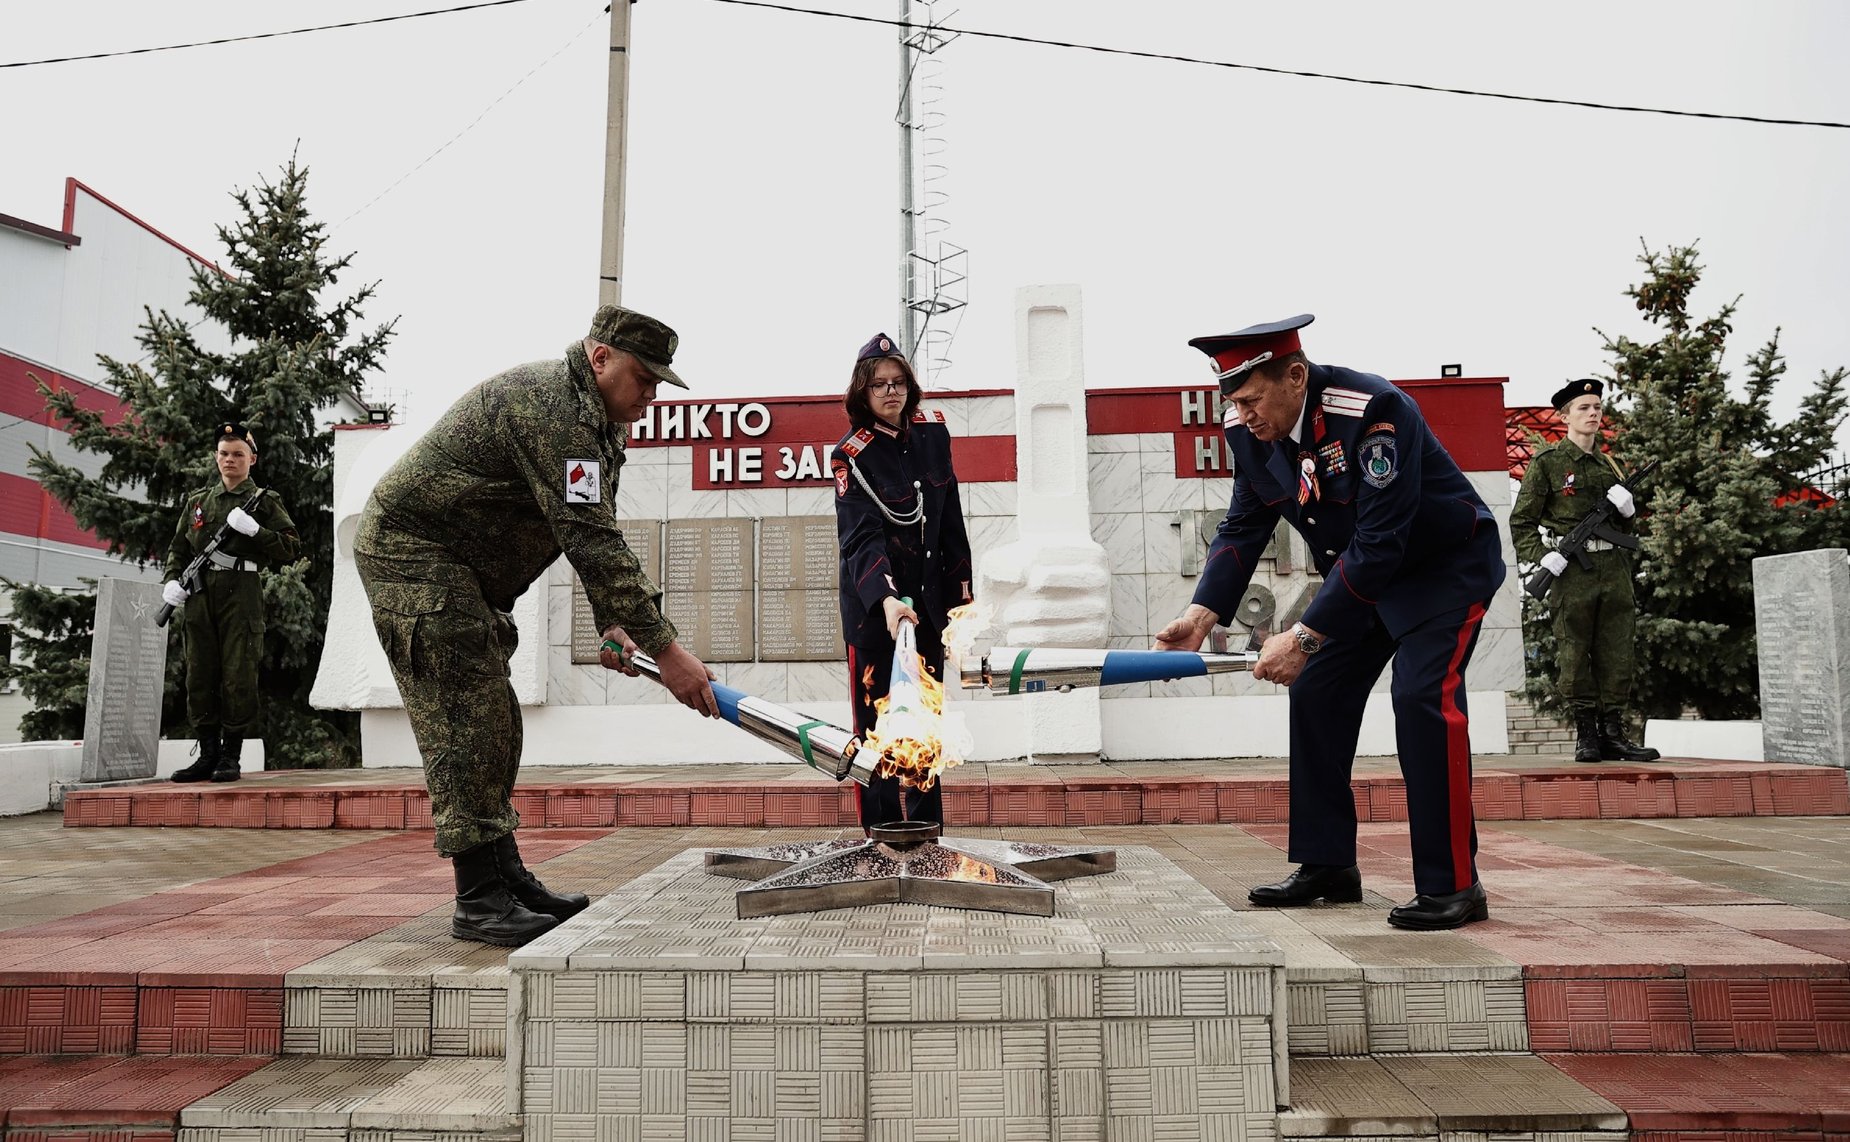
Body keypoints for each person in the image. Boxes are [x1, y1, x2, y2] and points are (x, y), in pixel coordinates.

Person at [354, 305, 718, 947]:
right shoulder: (552, 408)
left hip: (461, 571)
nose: (651, 395)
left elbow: (590, 527)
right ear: (600, 357)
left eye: (660, 383)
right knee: (468, 719)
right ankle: (480, 901)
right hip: (415, 557)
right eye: (644, 378)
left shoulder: (599, 423)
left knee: (494, 718)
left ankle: (507, 878)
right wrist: (669, 651)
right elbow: (592, 539)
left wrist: (615, 622)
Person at [1153, 315, 1507, 931]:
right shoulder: (1246, 428)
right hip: (1362, 577)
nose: (1243, 414)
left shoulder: (1374, 412)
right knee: (1317, 691)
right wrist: (1202, 611)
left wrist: (1307, 636)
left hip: (1440, 573)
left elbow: (1381, 543)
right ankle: (1328, 866)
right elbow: (1245, 521)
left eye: (1253, 399)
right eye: (1233, 401)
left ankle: (1454, 886)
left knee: (1421, 698)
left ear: (1296, 375)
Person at [830, 333, 973, 829]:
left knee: (927, 722)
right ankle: (882, 832)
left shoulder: (934, 435)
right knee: (876, 729)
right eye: (879, 386)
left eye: (898, 383)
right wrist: (887, 599)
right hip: (878, 618)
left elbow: (950, 526)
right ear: (862, 395)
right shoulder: (852, 454)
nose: (890, 393)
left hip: (929, 611)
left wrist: (960, 611)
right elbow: (860, 538)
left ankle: (928, 829)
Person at [1509, 378, 1659, 765]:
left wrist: (1628, 512)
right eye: (1584, 408)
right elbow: (1521, 522)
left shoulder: (1610, 465)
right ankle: (1587, 734)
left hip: (1614, 568)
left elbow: (1627, 530)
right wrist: (1543, 556)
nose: (1593, 414)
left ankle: (1614, 733)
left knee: (1617, 650)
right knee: (1574, 651)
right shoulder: (1548, 464)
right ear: (1565, 417)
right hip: (1572, 571)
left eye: (1596, 407)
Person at [164, 422, 299, 784]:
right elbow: (178, 549)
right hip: (200, 595)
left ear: (251, 459)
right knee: (199, 673)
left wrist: (257, 531)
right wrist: (171, 582)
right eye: (224, 453)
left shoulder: (264, 501)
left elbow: (290, 547)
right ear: (216, 457)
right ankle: (206, 754)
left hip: (241, 592)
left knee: (238, 674)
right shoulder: (199, 502)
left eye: (238, 454)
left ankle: (230, 756)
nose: (229, 460)